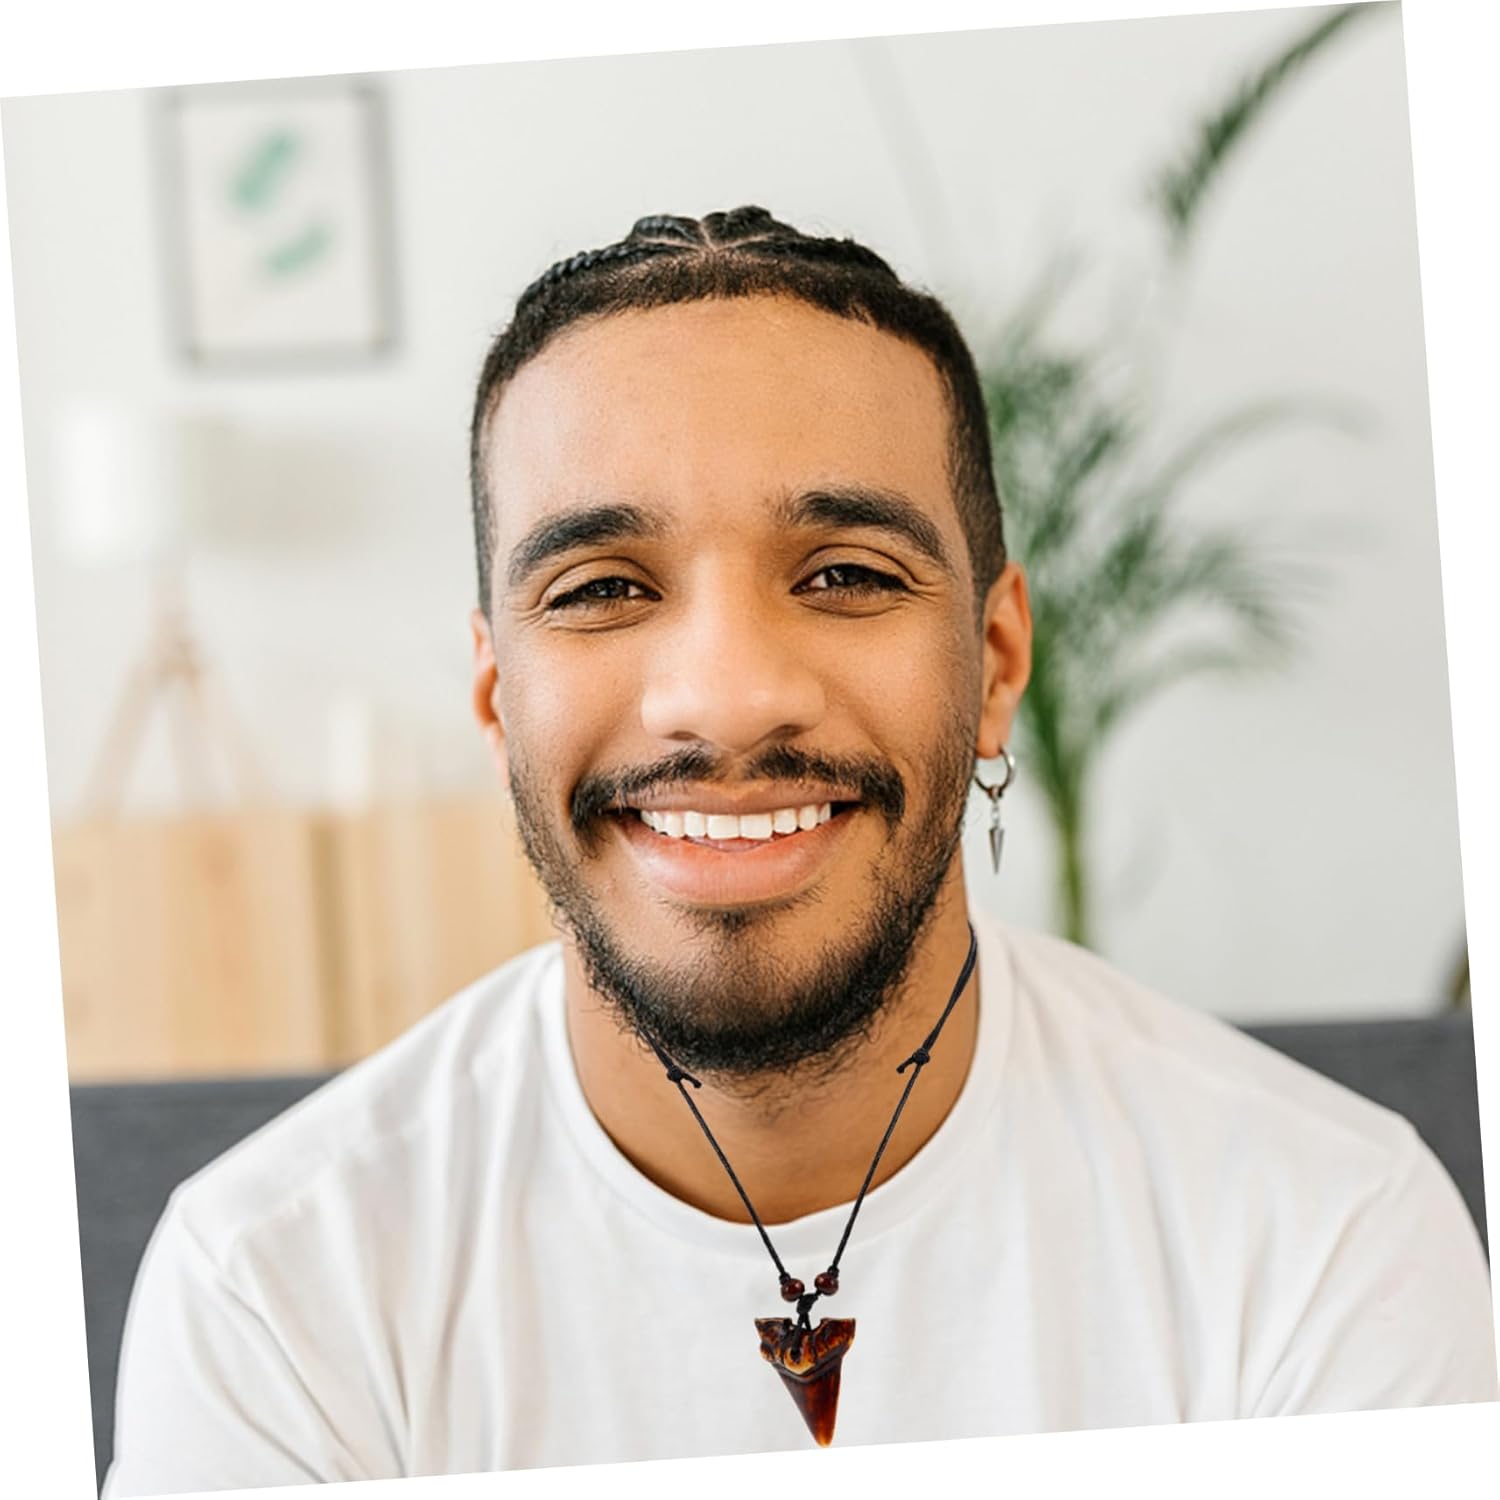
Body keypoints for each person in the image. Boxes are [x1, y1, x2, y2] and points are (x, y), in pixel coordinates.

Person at [103, 209, 1496, 1495]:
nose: (725, 698)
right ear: (495, 697)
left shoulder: (1324, 1239)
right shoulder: (273, 1295)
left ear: (996, 659)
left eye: (844, 575)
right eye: (602, 588)